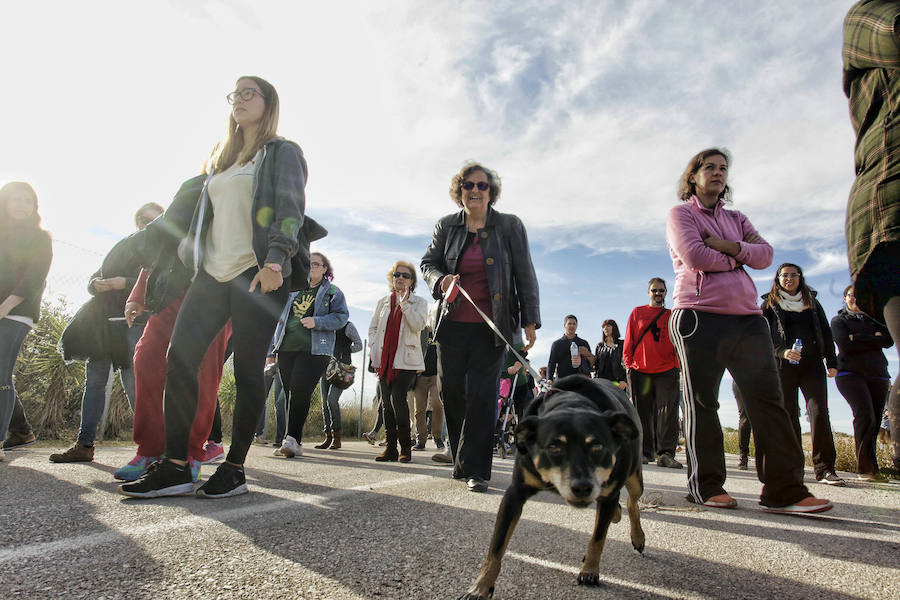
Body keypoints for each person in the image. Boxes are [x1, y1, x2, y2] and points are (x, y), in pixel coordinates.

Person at [121, 75, 311, 498]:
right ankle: (175, 466)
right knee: (179, 359)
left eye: (248, 93)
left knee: (247, 370)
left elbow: (290, 209)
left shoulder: (282, 152)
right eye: (234, 94)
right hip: (211, 274)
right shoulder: (221, 159)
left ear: (268, 103)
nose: (238, 99)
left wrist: (276, 260)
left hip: (256, 272)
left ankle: (235, 467)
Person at [666, 147, 831, 514]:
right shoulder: (681, 214)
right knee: (703, 403)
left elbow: (766, 255)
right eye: (709, 167)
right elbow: (695, 256)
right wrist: (741, 257)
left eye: (723, 168)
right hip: (698, 317)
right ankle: (706, 485)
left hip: (748, 319)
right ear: (693, 176)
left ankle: (784, 491)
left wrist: (727, 247)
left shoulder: (736, 218)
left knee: (769, 400)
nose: (718, 172)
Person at [421, 161, 540, 493]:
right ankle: (462, 456)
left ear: (491, 192)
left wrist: (530, 319)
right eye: (468, 185)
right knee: (451, 392)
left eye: (482, 185)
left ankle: (476, 469)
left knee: (483, 396)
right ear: (459, 191)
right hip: (451, 325)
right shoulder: (446, 226)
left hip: (492, 327)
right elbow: (428, 263)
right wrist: (440, 280)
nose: (475, 190)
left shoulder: (509, 225)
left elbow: (525, 273)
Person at [112, 176, 231, 482]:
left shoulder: (237, 198)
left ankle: (190, 453)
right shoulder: (193, 192)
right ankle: (150, 449)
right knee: (147, 359)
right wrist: (138, 295)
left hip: (215, 299)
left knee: (202, 375)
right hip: (171, 295)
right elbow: (159, 250)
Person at [52, 202, 164, 463]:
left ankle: (153, 448)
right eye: (143, 218)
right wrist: (95, 283)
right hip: (103, 323)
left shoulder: (162, 251)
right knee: (94, 382)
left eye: (153, 219)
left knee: (135, 384)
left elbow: (160, 284)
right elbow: (98, 274)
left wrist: (124, 283)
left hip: (134, 323)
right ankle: (84, 444)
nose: (146, 223)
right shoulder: (124, 244)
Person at [842, 0, 900, 478]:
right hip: (891, 213)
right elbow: (846, 340)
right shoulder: (868, 14)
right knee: (862, 411)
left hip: (875, 367)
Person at [761, 263, 843, 486]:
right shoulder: (769, 304)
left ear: (800, 277)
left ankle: (825, 469)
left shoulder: (812, 303)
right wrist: (782, 351)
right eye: (784, 275)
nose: (789, 279)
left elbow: (825, 331)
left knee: (819, 412)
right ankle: (792, 469)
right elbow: (762, 335)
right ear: (778, 278)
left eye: (793, 275)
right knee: (788, 415)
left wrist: (831, 360)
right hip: (782, 366)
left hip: (812, 364)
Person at [273, 252, 349, 458]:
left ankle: (292, 439)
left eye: (316, 264)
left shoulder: (332, 291)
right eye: (308, 264)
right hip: (286, 347)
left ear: (325, 269)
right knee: (290, 393)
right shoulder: (293, 289)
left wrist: (318, 321)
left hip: (315, 349)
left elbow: (342, 317)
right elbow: (281, 320)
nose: (311, 267)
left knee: (300, 390)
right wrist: (273, 349)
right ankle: (292, 439)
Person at [0, 182, 52, 462]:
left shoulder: (39, 238)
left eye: (27, 200)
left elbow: (34, 277)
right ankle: (21, 430)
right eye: (15, 199)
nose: (21, 205)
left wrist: (5, 306)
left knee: (0, 373)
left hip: (16, 311)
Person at [831, 285, 893, 481]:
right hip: (850, 374)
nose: (855, 299)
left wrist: (857, 337)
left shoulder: (876, 320)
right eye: (851, 295)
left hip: (878, 374)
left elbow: (889, 340)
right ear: (845, 298)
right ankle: (865, 470)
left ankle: (872, 469)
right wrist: (874, 339)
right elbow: (845, 345)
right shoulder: (839, 321)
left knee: (875, 421)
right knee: (865, 416)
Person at [368, 261, 427, 462]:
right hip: (385, 360)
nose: (400, 278)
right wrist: (374, 346)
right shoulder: (383, 302)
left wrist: (404, 304)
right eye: (396, 275)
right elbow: (373, 327)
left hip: (407, 360)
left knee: (397, 398)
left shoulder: (419, 302)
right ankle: (390, 448)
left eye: (405, 275)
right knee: (386, 403)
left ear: (412, 281)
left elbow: (418, 325)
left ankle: (406, 448)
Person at [622, 278, 682, 468]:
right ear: (648, 292)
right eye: (654, 290)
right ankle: (644, 452)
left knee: (668, 414)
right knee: (642, 414)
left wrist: (676, 365)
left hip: (666, 371)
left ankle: (666, 454)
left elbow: (678, 342)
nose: (658, 293)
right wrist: (629, 365)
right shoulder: (637, 312)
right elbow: (629, 341)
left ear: (666, 293)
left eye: (661, 290)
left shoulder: (672, 315)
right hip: (641, 370)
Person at [314, 321, 362, 450]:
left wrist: (344, 350)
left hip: (342, 370)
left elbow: (359, 345)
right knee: (325, 403)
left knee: (332, 400)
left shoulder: (348, 326)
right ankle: (328, 437)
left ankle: (337, 437)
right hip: (325, 367)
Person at [410, 326, 445, 450]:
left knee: (437, 404)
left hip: (436, 376)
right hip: (420, 375)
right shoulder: (421, 332)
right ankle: (421, 440)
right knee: (419, 410)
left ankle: (437, 437)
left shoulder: (441, 332)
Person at [546, 315, 593, 380]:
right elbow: (552, 363)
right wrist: (549, 379)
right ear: (564, 325)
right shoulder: (557, 344)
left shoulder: (584, 343)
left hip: (580, 380)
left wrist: (581, 361)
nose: (572, 326)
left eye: (574, 324)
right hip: (563, 380)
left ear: (576, 325)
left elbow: (590, 362)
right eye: (569, 324)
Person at [593, 319, 627, 391]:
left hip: (618, 383)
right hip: (602, 383)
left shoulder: (622, 344)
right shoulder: (599, 346)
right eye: (603, 327)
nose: (605, 328)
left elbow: (627, 363)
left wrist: (625, 380)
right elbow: (596, 366)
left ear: (614, 327)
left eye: (608, 326)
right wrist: (595, 381)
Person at [732, 381, 753, 471]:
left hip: (764, 378)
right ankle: (743, 456)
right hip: (741, 380)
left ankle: (766, 457)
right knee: (745, 419)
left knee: (763, 419)